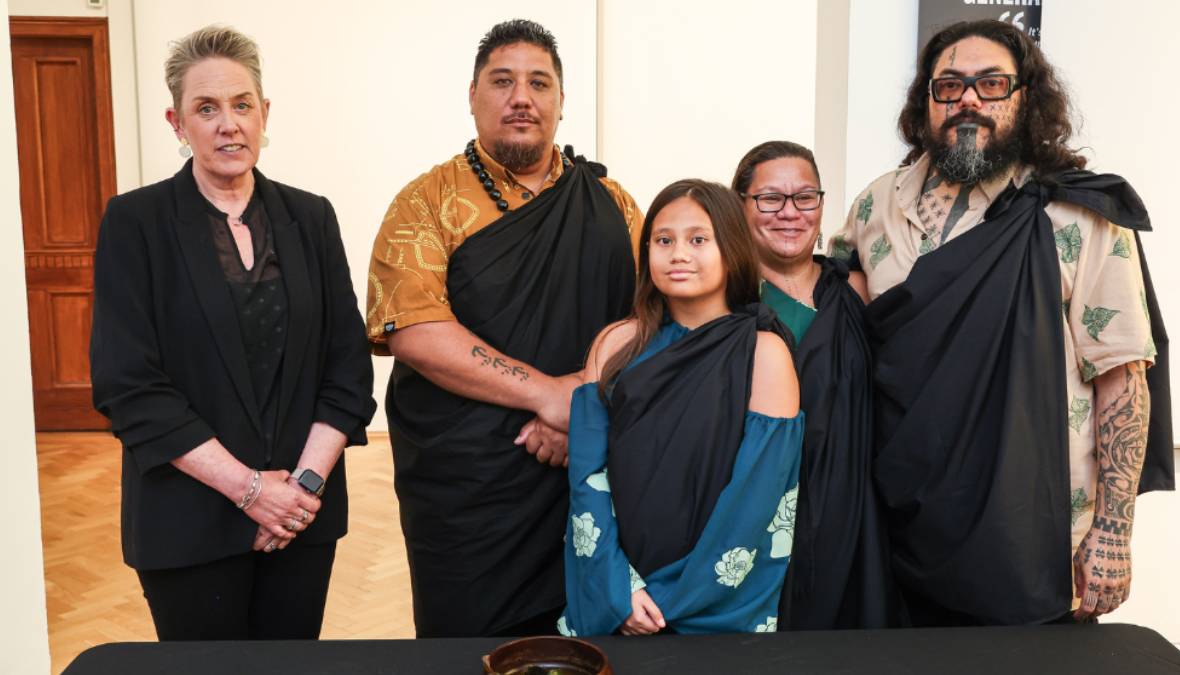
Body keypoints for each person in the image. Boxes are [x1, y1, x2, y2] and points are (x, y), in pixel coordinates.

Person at [829, 19, 1173, 626]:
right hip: (897, 527)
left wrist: (1114, 533)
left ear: (1025, 97)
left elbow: (1122, 375)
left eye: (991, 84)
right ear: (926, 100)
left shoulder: (1077, 214)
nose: (968, 99)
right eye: (949, 85)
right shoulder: (875, 206)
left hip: (1031, 536)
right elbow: (837, 332)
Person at [90, 25, 375, 640]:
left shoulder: (311, 216)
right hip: (187, 520)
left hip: (300, 519)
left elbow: (348, 367)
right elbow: (128, 385)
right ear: (176, 122)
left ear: (264, 112)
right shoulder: (135, 223)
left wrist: (299, 491)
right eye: (206, 108)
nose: (229, 125)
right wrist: (250, 491)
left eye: (242, 105)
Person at [365, 19, 642, 637]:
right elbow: (414, 329)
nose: (522, 98)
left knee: (589, 639)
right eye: (502, 81)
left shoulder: (613, 204)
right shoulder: (425, 202)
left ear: (562, 102)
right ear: (472, 96)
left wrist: (582, 404)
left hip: (587, 465)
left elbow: (650, 315)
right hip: (467, 486)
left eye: (539, 83)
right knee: (468, 644)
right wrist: (550, 395)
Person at [557, 179, 802, 636]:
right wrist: (619, 590)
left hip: (715, 600)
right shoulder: (615, 344)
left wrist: (674, 600)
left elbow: (759, 496)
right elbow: (587, 476)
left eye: (698, 240)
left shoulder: (765, 353)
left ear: (731, 249)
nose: (679, 254)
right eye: (664, 240)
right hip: (617, 591)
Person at [732, 141, 899, 629]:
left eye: (805, 197)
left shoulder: (855, 291)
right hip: (760, 515)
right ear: (739, 206)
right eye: (770, 199)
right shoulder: (726, 301)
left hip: (856, 517)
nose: (790, 213)